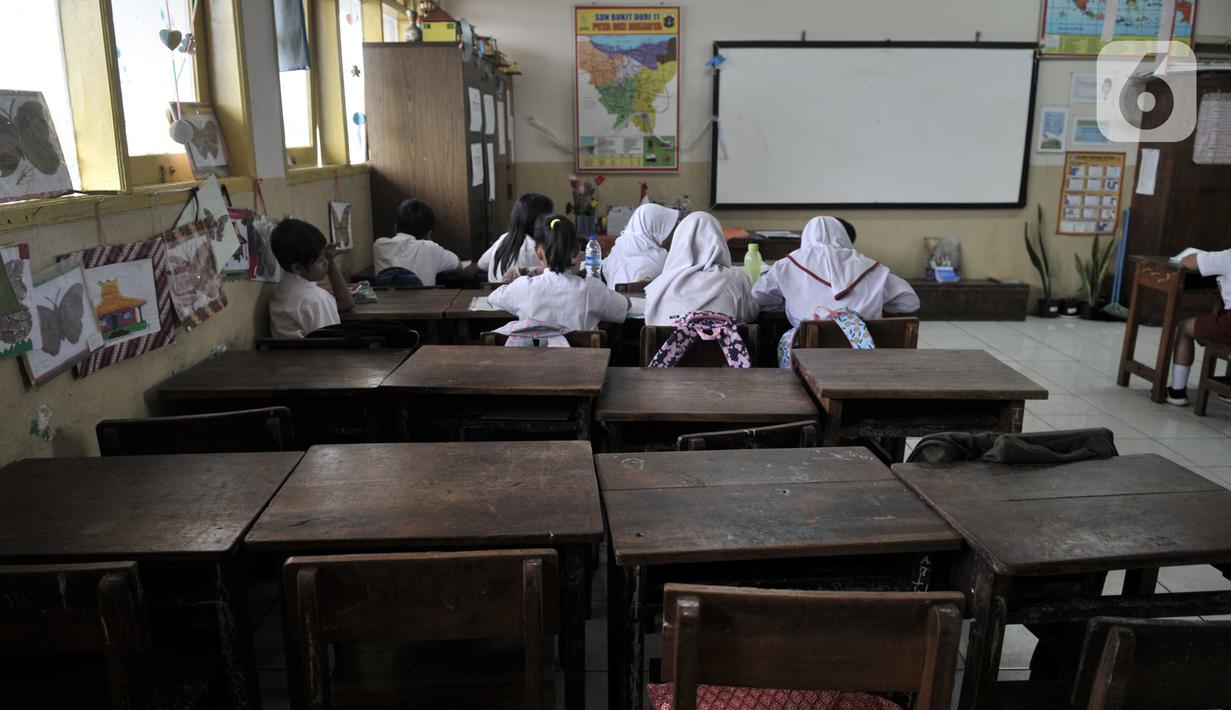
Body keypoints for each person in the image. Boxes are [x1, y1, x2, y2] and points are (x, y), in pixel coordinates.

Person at [753, 216, 918, 366]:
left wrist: (787, 300)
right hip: (866, 358)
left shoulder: (787, 265)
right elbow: (910, 302)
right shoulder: (870, 266)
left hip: (809, 359)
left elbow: (758, 298)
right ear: (844, 236)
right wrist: (876, 300)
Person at [487, 214, 629, 331]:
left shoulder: (524, 287)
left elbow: (493, 298)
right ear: (576, 250)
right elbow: (624, 306)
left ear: (538, 253)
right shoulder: (591, 289)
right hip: (581, 364)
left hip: (534, 363)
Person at [643, 212, 759, 326]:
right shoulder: (736, 277)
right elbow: (751, 314)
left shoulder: (658, 287)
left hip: (668, 344)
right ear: (718, 239)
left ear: (679, 241)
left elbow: (649, 321)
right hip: (723, 344)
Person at [268, 218, 354, 338]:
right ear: (297, 268)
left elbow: (346, 304)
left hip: (291, 356)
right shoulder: (315, 299)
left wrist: (329, 259)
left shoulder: (282, 291)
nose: (325, 262)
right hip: (319, 355)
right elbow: (332, 345)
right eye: (320, 260)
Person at [1165, 249, 1231, 405]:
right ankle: (1227, 389)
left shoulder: (1227, 257)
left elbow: (1188, 262)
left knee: (1185, 327)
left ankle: (1177, 392)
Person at [372, 199, 459, 286]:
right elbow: (457, 265)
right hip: (424, 300)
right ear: (429, 234)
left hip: (385, 300)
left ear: (396, 227)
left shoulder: (379, 245)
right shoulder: (430, 248)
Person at [477, 193, 554, 283]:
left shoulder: (503, 239)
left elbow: (481, 265)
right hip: (523, 295)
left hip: (496, 294)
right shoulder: (536, 250)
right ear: (540, 220)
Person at [602, 203, 680, 289]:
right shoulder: (659, 260)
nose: (672, 235)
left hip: (612, 301)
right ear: (657, 231)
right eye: (669, 230)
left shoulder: (619, 246)